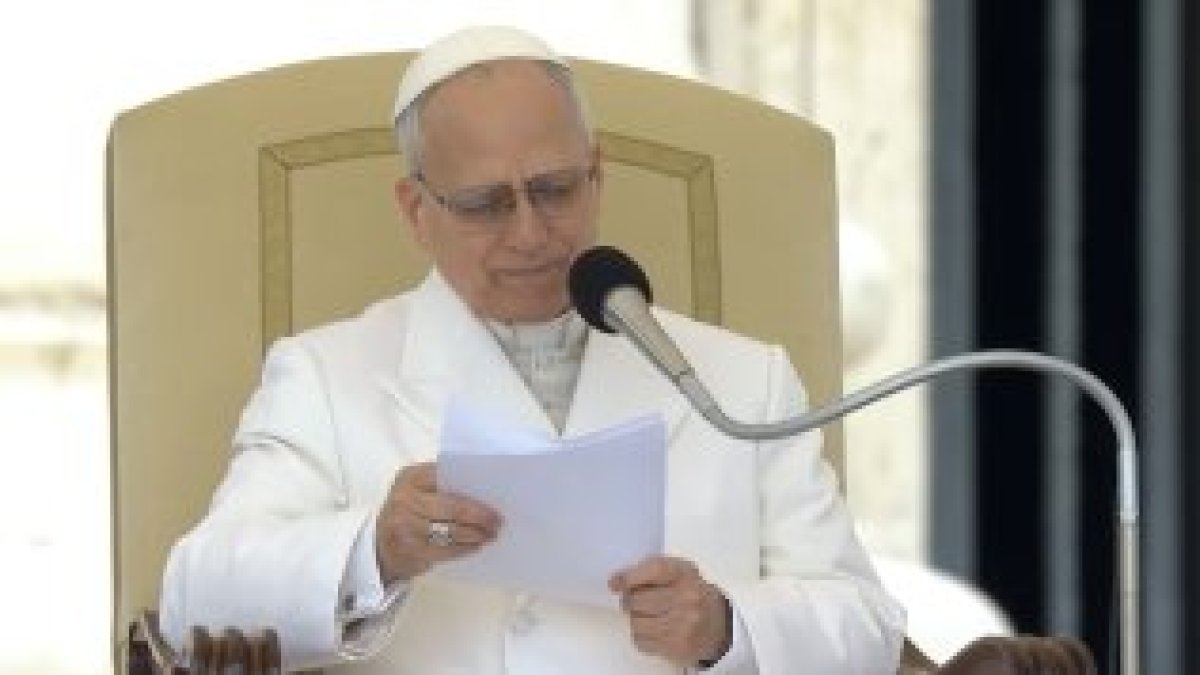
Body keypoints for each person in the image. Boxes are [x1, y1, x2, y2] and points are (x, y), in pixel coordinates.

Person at [159, 25, 905, 674]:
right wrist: (374, 549)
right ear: (416, 210)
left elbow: (868, 628)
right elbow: (193, 600)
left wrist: (725, 625)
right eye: (485, 204)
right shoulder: (328, 375)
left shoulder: (743, 382)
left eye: (555, 190)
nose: (530, 233)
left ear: (597, 175)